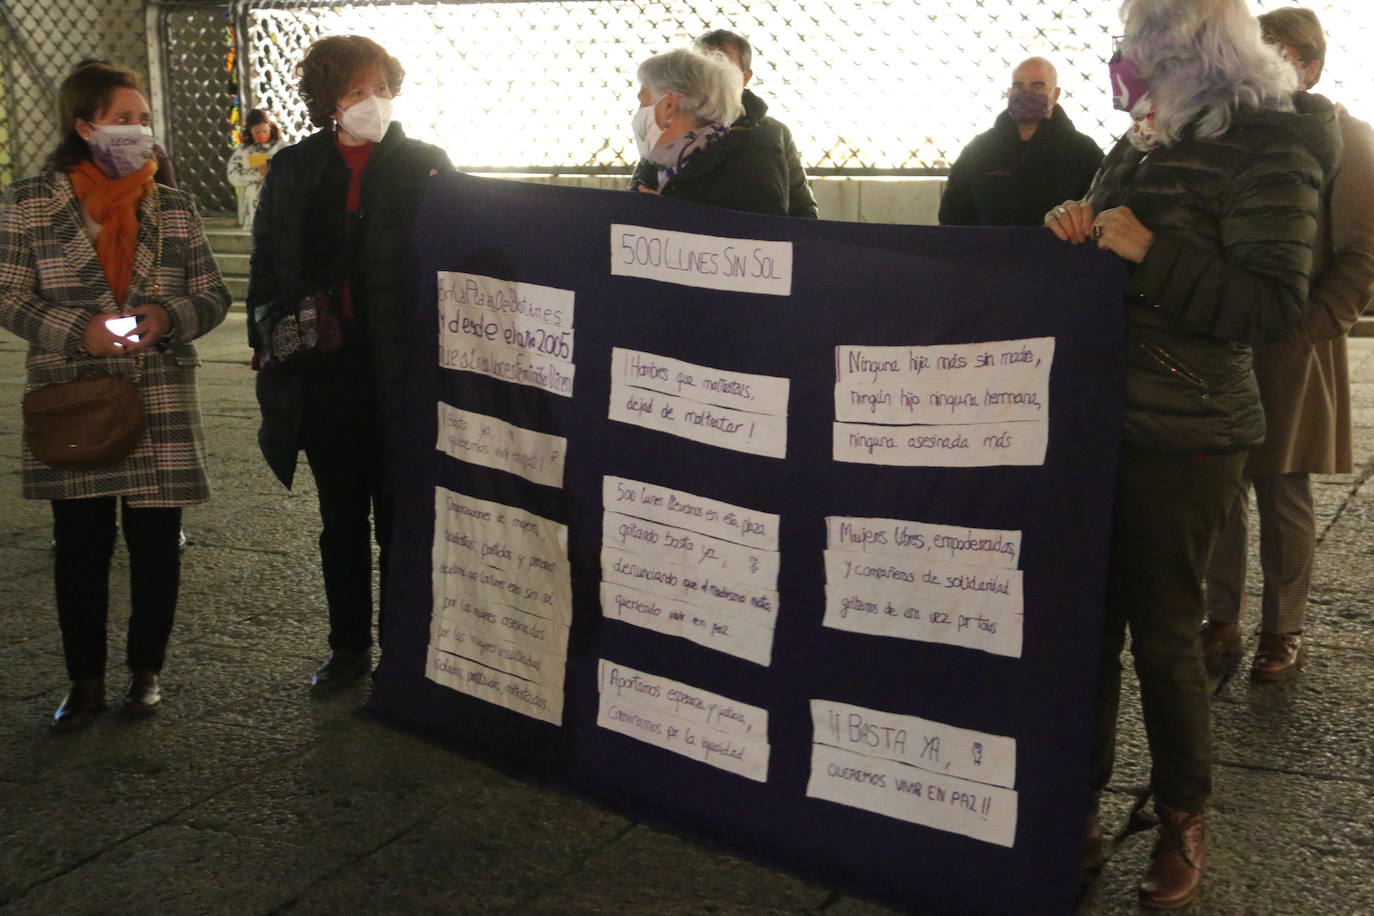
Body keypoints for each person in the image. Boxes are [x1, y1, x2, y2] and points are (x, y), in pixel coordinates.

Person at [1043, 0, 1338, 907]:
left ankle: (1182, 821)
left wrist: (1146, 248)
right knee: (1084, 632)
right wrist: (1078, 226)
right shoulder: (1145, 133)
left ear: (1183, 48)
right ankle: (1077, 810)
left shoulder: (1272, 141)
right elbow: (1111, 233)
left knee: (1167, 636)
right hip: (1098, 417)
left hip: (1189, 427)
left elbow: (1271, 305)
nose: (1120, 60)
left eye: (1136, 43)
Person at [0, 62, 230, 731]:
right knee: (81, 545)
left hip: (157, 392)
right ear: (84, 125)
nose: (139, 130)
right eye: (123, 118)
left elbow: (214, 294)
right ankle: (85, 681)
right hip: (75, 396)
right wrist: (81, 331)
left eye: (141, 118)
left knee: (157, 542)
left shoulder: (173, 204)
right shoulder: (28, 203)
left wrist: (167, 318)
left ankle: (145, 674)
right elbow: (9, 295)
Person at [248, 36, 452, 689]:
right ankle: (346, 646)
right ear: (329, 99)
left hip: (399, 362)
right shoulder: (294, 168)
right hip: (324, 367)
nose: (375, 103)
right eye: (358, 91)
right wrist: (267, 334)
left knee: (399, 513)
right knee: (340, 516)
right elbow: (266, 263)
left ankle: (401, 647)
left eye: (383, 88)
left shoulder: (424, 164)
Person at [1201, 7, 1374, 683]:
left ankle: (1284, 628)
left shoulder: (1348, 140)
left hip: (1295, 340)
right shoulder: (1236, 132)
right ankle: (1224, 615)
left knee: (1282, 485)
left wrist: (1309, 327)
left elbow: (1360, 255)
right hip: (1230, 333)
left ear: (1309, 64)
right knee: (1221, 481)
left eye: (1272, 55)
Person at [939, 57, 1103, 226]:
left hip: (1059, 251)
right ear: (1009, 92)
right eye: (1018, 86)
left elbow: (1098, 211)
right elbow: (952, 215)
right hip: (988, 251)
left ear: (1056, 94)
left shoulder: (1083, 152)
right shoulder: (979, 150)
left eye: (1037, 86)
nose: (1026, 93)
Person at [628, 47, 790, 216]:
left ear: (669, 105)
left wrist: (670, 213)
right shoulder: (654, 165)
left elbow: (762, 234)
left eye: (643, 102)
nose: (639, 112)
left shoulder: (748, 163)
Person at [695, 29, 818, 218]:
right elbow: (642, 193)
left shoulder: (775, 133)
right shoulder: (670, 127)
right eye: (700, 66)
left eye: (722, 65)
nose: (709, 75)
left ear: (745, 77)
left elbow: (803, 212)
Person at [226, 108, 287, 228]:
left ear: (270, 128)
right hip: (251, 202)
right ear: (250, 132)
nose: (261, 135)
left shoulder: (281, 146)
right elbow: (232, 175)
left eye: (264, 131)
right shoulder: (244, 150)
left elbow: (293, 169)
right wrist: (256, 174)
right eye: (257, 132)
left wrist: (274, 171)